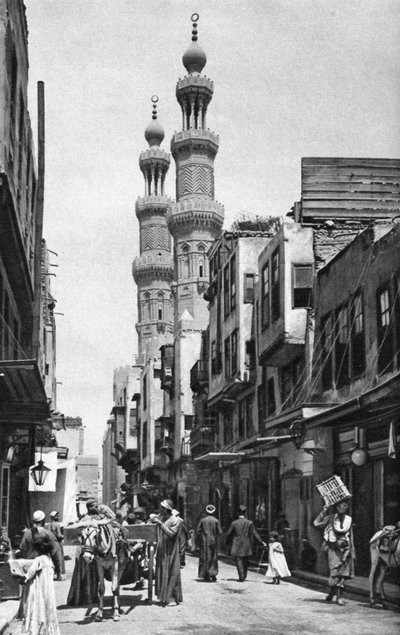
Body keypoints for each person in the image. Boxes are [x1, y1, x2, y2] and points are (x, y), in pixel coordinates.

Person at [313, 499, 355, 605]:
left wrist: (351, 550)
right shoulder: (330, 519)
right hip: (333, 549)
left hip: (345, 549)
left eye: (345, 506)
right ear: (336, 507)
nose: (343, 508)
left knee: (343, 574)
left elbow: (350, 536)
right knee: (335, 572)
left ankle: (337, 596)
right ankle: (334, 594)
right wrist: (324, 510)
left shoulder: (349, 520)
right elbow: (316, 523)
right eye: (340, 506)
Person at [20, 534, 60, 635]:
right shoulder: (49, 560)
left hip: (39, 588)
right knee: (48, 609)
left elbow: (31, 571)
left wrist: (24, 578)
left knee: (37, 608)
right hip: (48, 589)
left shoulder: (39, 559)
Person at [151, 499, 182, 606]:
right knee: (161, 571)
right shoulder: (162, 518)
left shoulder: (175, 520)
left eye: (162, 508)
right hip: (162, 549)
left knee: (171, 572)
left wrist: (161, 524)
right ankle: (162, 597)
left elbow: (172, 535)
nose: (161, 510)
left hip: (170, 551)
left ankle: (171, 597)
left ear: (167, 509)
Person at [226, 505, 266, 582]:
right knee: (246, 560)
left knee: (239, 560)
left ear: (238, 513)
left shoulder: (234, 523)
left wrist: (227, 542)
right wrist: (261, 541)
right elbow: (254, 533)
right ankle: (244, 575)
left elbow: (229, 534)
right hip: (246, 543)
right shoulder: (249, 522)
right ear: (245, 513)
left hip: (237, 543)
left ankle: (241, 576)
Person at [19, 510, 61, 580]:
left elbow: (22, 548)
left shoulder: (27, 533)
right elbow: (55, 553)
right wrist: (58, 570)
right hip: (44, 567)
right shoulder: (48, 534)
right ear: (43, 521)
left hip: (30, 567)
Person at [196, 504, 222, 582]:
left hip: (204, 542)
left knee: (204, 557)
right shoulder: (216, 521)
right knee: (213, 557)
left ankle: (205, 574)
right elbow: (219, 532)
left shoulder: (203, 520)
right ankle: (213, 573)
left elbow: (198, 531)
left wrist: (200, 539)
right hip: (213, 541)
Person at [46, 511, 65, 577]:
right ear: (54, 517)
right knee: (59, 558)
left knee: (52, 558)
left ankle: (53, 574)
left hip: (51, 543)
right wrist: (64, 536)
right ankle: (59, 575)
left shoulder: (48, 525)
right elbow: (59, 535)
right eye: (57, 516)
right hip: (57, 543)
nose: (58, 517)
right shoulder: (57, 524)